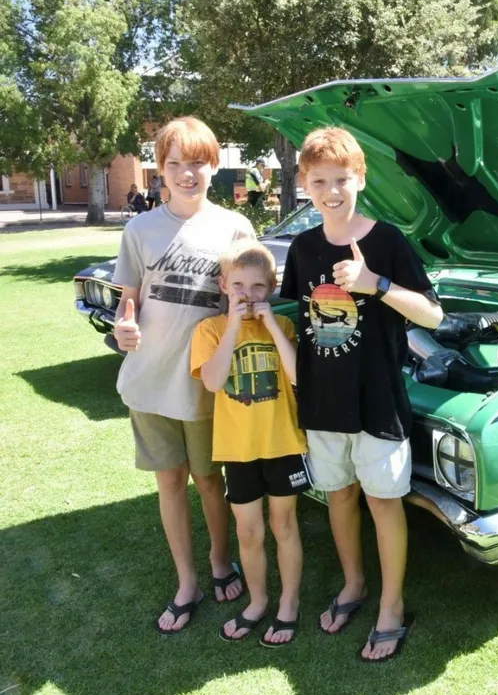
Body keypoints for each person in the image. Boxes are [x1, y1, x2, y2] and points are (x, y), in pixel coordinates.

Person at [280, 127, 443, 662]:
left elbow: (434, 315)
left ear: (361, 178)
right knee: (339, 496)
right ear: (304, 182)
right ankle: (355, 585)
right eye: (320, 180)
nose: (331, 190)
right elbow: (295, 321)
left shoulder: (388, 241)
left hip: (377, 403)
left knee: (382, 501)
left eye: (342, 179)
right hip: (323, 405)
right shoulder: (302, 248)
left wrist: (376, 283)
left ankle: (392, 606)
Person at [112, 116, 257, 635]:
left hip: (203, 384)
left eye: (196, 162)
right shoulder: (139, 229)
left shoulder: (235, 228)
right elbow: (127, 300)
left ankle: (221, 563)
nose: (187, 173)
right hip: (148, 383)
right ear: (161, 171)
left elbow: (249, 294)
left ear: (213, 166)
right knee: (170, 482)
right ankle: (187, 582)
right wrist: (123, 328)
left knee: (210, 481)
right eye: (175, 164)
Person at [191, 241, 310, 647]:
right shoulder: (209, 330)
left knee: (284, 524)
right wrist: (234, 327)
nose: (247, 293)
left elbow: (297, 377)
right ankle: (258, 602)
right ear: (223, 285)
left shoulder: (285, 327)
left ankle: (289, 603)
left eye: (258, 286)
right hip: (237, 448)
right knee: (248, 532)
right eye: (238, 284)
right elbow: (212, 380)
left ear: (271, 288)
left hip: (282, 443)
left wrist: (274, 326)